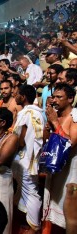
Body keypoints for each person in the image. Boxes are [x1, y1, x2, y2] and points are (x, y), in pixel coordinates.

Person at [42, 83, 77, 232]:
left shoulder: (75, 116)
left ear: (70, 99)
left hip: (69, 171)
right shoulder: (56, 115)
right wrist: (48, 125)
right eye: (54, 97)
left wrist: (55, 122)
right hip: (55, 170)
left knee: (67, 216)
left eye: (59, 97)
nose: (54, 100)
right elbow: (46, 140)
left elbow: (70, 143)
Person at [12, 85, 45, 233]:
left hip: (26, 159)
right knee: (25, 190)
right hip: (32, 158)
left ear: (23, 96)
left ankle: (34, 227)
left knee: (31, 192)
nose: (15, 95)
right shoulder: (39, 113)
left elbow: (20, 139)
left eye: (17, 93)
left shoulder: (26, 113)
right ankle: (24, 221)